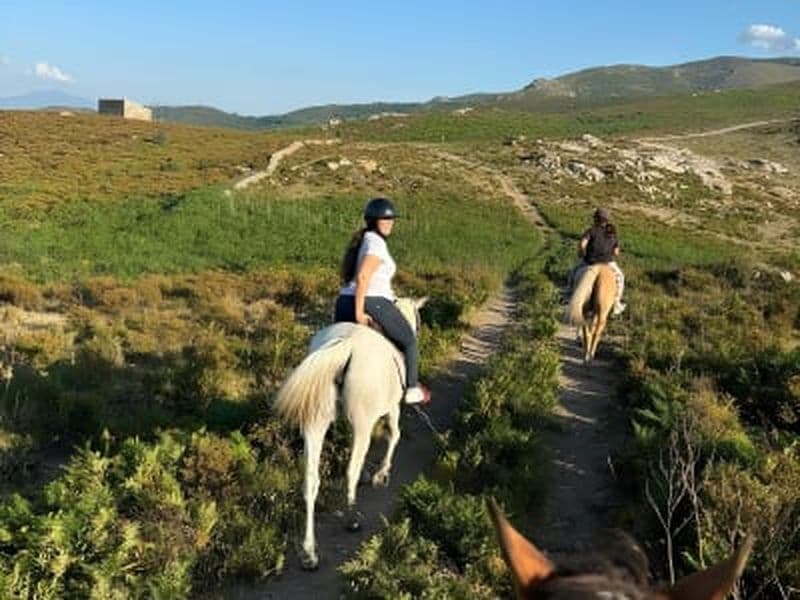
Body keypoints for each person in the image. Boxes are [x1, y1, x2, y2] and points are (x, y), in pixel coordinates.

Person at [334, 197, 430, 405]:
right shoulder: (376, 243)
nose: (390, 223)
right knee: (409, 341)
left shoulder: (363, 240)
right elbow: (363, 277)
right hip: (370, 301)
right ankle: (412, 388)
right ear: (373, 221)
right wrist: (359, 312)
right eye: (384, 219)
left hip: (343, 302)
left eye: (391, 219)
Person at [566, 207, 626, 315]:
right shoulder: (612, 233)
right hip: (607, 263)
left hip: (590, 262)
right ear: (607, 220)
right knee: (620, 278)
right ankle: (617, 302)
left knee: (573, 272)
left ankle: (568, 293)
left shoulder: (590, 231)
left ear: (595, 219)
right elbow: (616, 252)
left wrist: (582, 252)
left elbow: (582, 244)